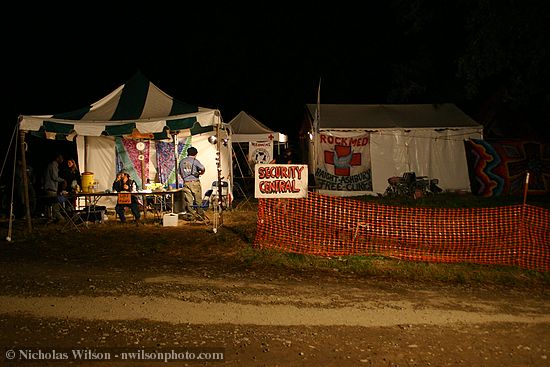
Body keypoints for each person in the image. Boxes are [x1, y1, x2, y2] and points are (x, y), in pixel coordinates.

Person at [178, 146, 207, 221]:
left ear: (187, 153)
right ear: (196, 153)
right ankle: (200, 216)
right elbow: (202, 168)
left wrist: (184, 178)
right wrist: (201, 173)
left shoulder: (182, 161)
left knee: (188, 201)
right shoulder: (195, 161)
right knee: (198, 200)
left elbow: (179, 172)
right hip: (195, 182)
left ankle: (191, 216)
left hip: (186, 182)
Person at [43, 153, 65, 222]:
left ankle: (50, 218)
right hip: (51, 188)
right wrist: (63, 180)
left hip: (49, 187)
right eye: (61, 158)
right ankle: (60, 218)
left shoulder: (52, 165)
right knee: (55, 204)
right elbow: (54, 177)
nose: (62, 160)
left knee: (49, 204)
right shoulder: (53, 164)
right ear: (57, 158)